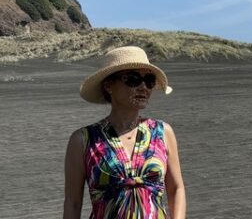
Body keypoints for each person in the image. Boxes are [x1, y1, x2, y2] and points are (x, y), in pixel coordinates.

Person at [63, 46, 186, 218]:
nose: (143, 87)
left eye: (149, 80)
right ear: (109, 86)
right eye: (133, 79)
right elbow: (73, 203)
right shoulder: (83, 140)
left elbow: (176, 188)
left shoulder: (163, 132)